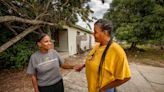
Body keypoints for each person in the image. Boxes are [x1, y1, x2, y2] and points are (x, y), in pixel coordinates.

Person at [74, 19, 131, 92]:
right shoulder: (97, 46)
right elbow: (95, 59)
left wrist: (104, 88)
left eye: (95, 32)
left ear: (105, 32)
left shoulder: (117, 51)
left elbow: (126, 77)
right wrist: (84, 65)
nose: (93, 34)